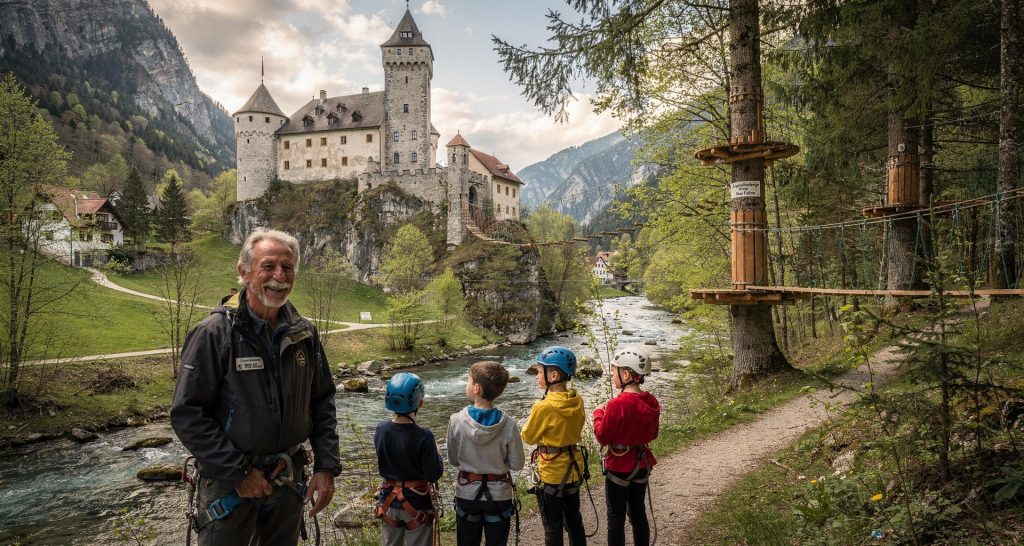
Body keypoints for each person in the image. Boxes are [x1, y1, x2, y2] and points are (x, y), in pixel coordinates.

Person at [170, 228, 341, 546]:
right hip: (229, 486)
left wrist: (326, 466)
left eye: (287, 268)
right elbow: (187, 414)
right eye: (268, 266)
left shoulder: (304, 334)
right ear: (244, 272)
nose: (279, 276)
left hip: (287, 481)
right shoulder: (213, 334)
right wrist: (238, 473)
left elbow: (322, 401)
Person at [447, 361, 526, 546]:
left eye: (468, 380)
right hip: (499, 496)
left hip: (467, 493)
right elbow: (517, 464)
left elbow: (452, 460)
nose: (466, 384)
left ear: (476, 388)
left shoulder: (456, 420)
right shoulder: (509, 424)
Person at [593, 346, 660, 546]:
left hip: (619, 466)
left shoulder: (617, 404)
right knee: (638, 512)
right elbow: (653, 434)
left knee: (616, 517)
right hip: (641, 464)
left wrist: (598, 414)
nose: (612, 375)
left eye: (614, 371)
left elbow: (602, 437)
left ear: (626, 374)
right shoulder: (651, 401)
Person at [521, 346, 588, 546]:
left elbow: (528, 436)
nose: (537, 376)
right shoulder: (577, 400)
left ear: (554, 375)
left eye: (540, 372)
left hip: (552, 473)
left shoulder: (543, 407)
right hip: (574, 469)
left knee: (553, 526)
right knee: (574, 519)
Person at [374, 372, 444, 546]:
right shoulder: (425, 437)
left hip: (388, 502)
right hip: (417, 504)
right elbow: (433, 474)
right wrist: (437, 454)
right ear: (420, 403)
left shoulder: (381, 430)